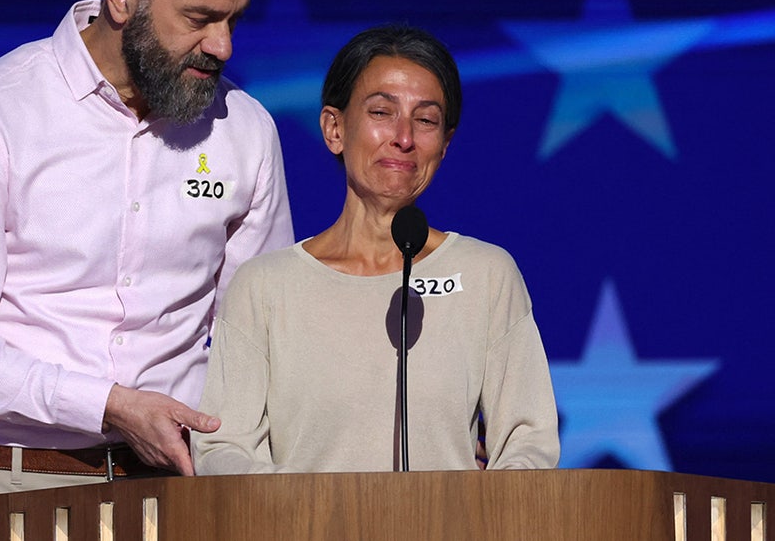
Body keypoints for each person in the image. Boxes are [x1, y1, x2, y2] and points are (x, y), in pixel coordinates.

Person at [0, 0, 294, 496]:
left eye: (233, 20)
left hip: (183, 487)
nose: (223, 46)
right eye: (199, 19)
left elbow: (267, 337)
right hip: (16, 485)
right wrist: (107, 405)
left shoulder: (245, 129)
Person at [192, 25, 559, 474]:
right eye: (382, 112)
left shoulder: (487, 275)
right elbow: (225, 448)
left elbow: (529, 443)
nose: (403, 137)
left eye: (426, 120)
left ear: (444, 145)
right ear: (334, 128)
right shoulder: (265, 286)